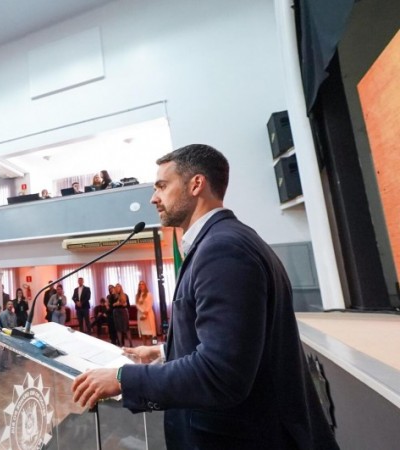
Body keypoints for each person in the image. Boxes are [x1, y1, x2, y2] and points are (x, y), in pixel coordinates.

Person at [72, 144, 338, 449]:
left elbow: (221, 373)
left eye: (162, 185)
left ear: (196, 184)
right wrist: (162, 352)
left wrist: (123, 379)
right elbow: (238, 343)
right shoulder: (227, 240)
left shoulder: (223, 249)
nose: (153, 197)